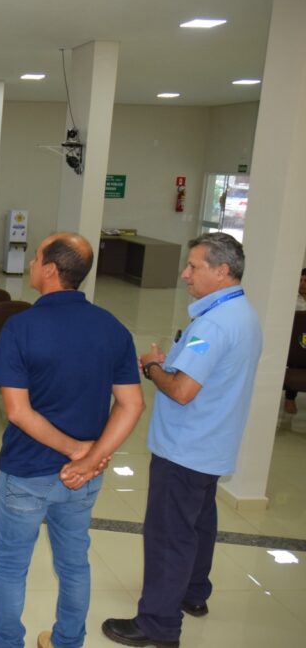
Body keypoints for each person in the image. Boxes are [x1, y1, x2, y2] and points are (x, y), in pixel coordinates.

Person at [0, 232, 144, 648]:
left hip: (27, 472)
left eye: (35, 259)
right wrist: (92, 458)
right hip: (83, 479)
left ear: (50, 270)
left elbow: (18, 411)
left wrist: (76, 453)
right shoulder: (112, 328)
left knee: (11, 566)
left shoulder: (21, 327)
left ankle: (7, 643)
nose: (30, 264)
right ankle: (67, 641)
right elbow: (131, 405)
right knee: (74, 564)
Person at [103, 232, 262, 648]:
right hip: (213, 444)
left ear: (222, 270)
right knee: (199, 524)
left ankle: (158, 623)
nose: (184, 273)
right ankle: (193, 593)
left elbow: (182, 390)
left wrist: (154, 367)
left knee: (169, 533)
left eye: (194, 266)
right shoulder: (244, 314)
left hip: (186, 449)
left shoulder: (212, 324)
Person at [285, 268, 306, 414]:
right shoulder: (290, 300)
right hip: (295, 341)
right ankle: (290, 397)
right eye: (301, 280)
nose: (302, 284)